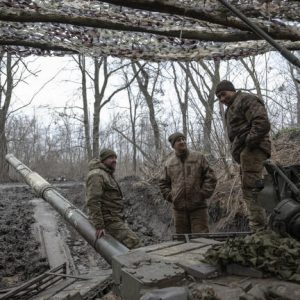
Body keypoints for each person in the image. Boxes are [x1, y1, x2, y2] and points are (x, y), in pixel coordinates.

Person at [215, 80, 271, 231]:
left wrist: (248, 144)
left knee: (251, 189)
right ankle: (262, 227)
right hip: (246, 153)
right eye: (219, 97)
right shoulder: (231, 108)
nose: (222, 99)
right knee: (252, 187)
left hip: (253, 149)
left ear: (232, 90)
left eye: (223, 94)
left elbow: (262, 122)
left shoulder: (245, 99)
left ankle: (258, 229)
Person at [159, 132, 217, 234]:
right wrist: (171, 196)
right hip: (179, 211)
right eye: (178, 140)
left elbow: (211, 177)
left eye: (183, 139)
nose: (182, 142)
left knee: (201, 240)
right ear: (173, 145)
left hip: (198, 208)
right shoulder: (169, 163)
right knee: (182, 241)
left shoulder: (198, 157)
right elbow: (163, 183)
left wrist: (203, 194)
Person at [86, 148, 139, 249]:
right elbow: (93, 201)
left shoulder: (107, 174)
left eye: (115, 157)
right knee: (135, 243)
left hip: (115, 218)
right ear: (103, 159)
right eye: (110, 157)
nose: (114, 160)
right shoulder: (97, 175)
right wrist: (99, 225)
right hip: (108, 221)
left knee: (122, 248)